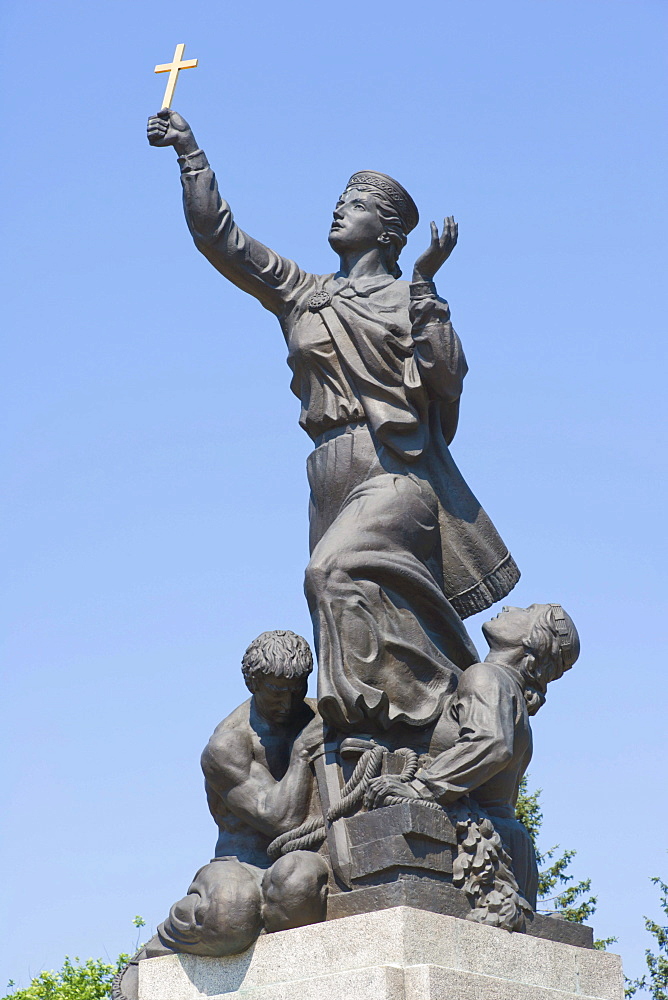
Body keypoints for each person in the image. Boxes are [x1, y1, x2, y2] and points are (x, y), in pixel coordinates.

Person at [147, 110, 520, 734]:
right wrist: (190, 155)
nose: (339, 209)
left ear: (390, 229)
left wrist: (425, 286)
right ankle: (378, 743)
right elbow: (220, 237)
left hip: (391, 469)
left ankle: (419, 712)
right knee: (350, 609)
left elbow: (446, 379)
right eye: (340, 199)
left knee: (329, 572)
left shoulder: (407, 297)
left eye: (356, 203)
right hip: (325, 470)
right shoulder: (303, 293)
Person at [123, 630, 327, 989]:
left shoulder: (318, 717)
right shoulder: (228, 745)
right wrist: (301, 754)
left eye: (297, 689)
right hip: (241, 863)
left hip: (302, 853)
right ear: (253, 683)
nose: (288, 702)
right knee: (229, 914)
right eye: (276, 691)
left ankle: (271, 926)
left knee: (300, 886)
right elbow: (279, 819)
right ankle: (164, 941)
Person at [364, 604, 580, 906]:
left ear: (534, 639)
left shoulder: (486, 677)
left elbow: (492, 744)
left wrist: (419, 787)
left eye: (526, 609)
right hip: (504, 846)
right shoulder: (506, 688)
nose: (509, 607)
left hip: (480, 852)